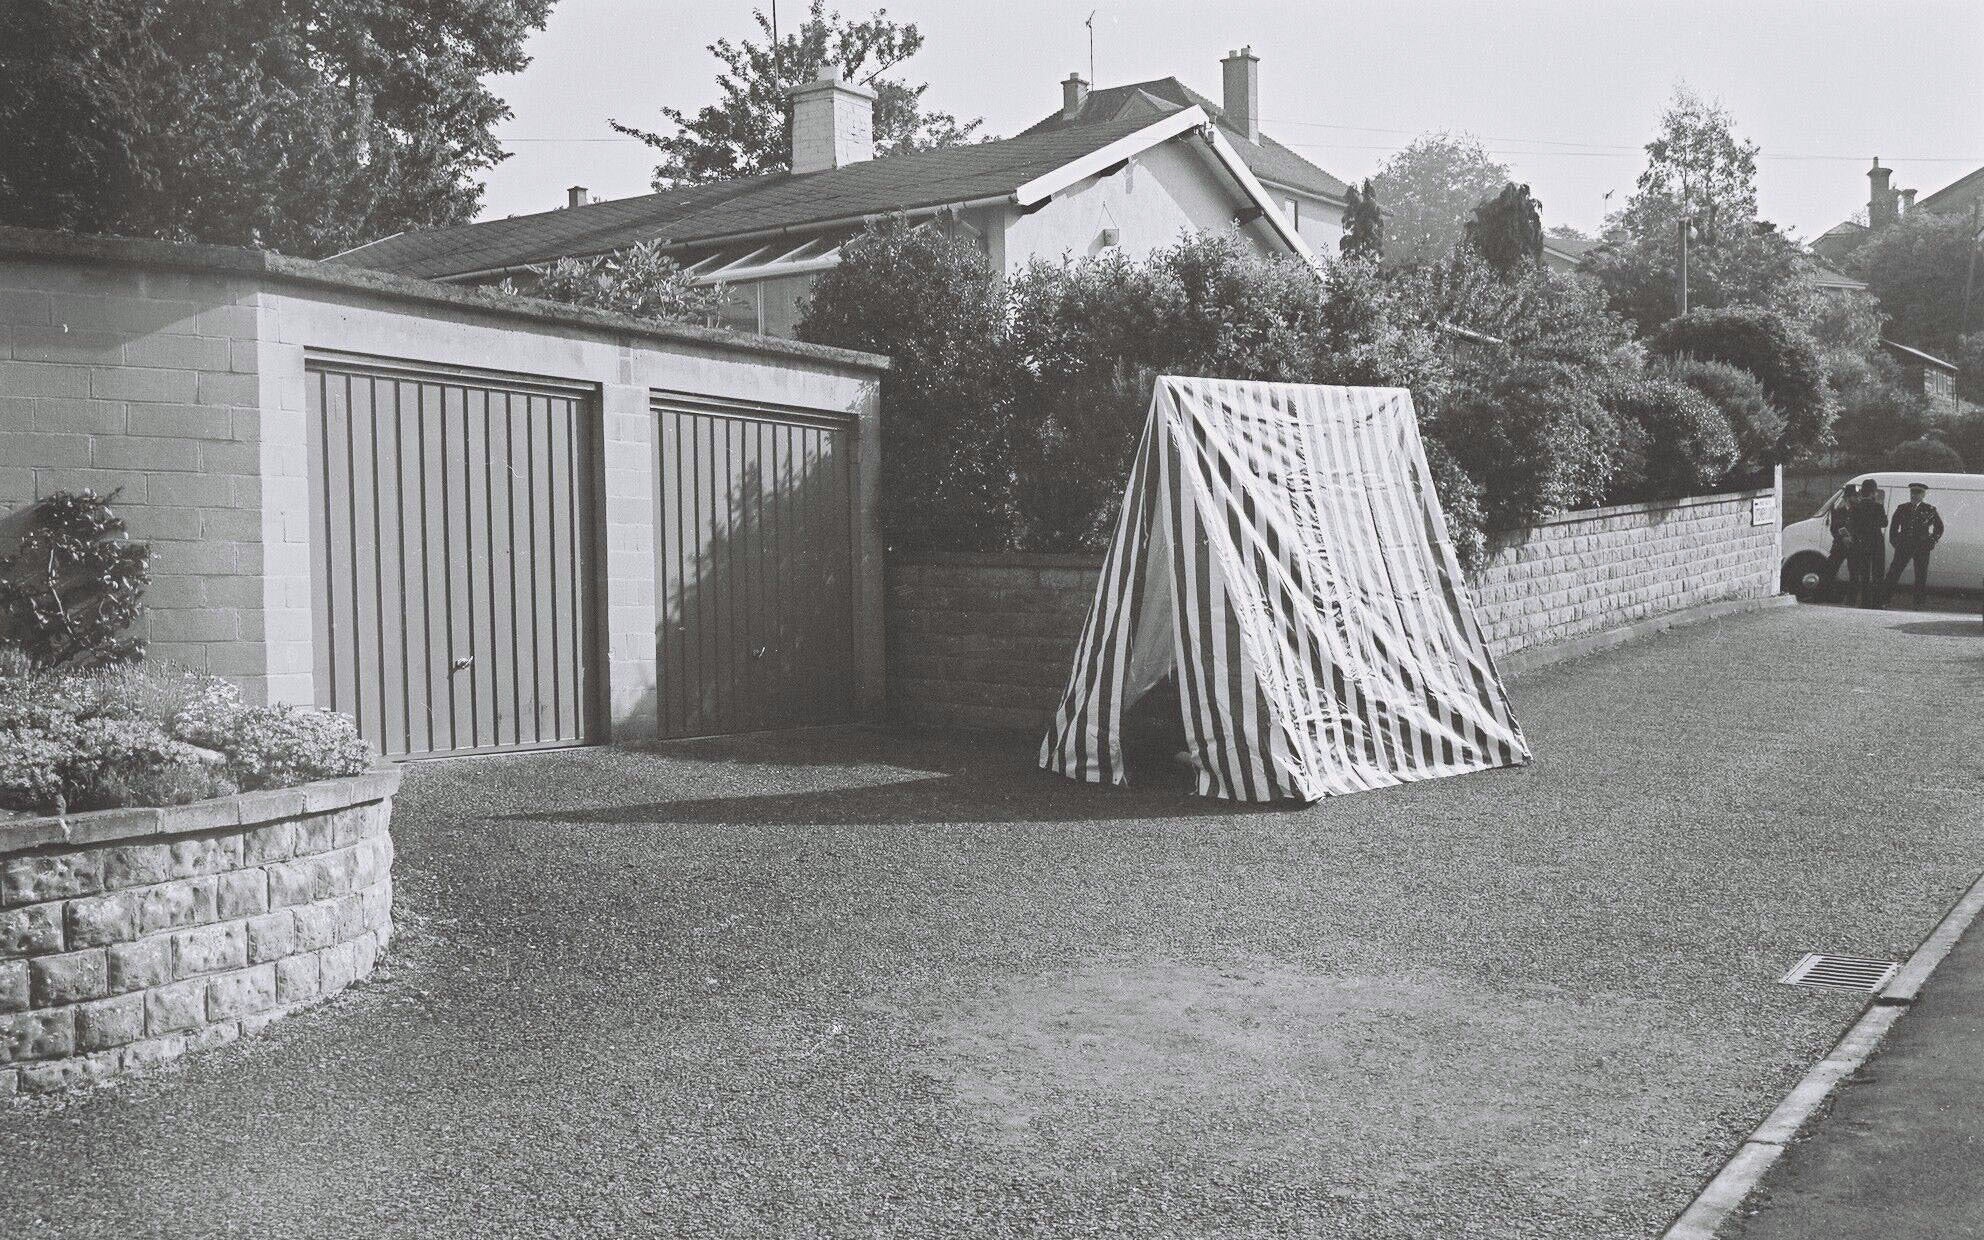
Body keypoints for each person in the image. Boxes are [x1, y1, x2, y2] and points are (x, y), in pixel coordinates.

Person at [1883, 481, 1946, 609]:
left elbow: (1939, 527)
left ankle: (1918, 604)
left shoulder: (1930, 509)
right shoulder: (1902, 508)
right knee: (1894, 572)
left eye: (1918, 493)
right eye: (1913, 492)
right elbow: (1893, 528)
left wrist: (1932, 540)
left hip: (1922, 547)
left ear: (1923, 495)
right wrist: (1896, 542)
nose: (1914, 495)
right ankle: (1884, 600)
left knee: (1921, 575)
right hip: (1904, 546)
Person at [1847, 480, 1888, 609]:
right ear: (1873, 492)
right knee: (1877, 573)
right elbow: (1884, 523)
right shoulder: (1878, 506)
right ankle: (1876, 602)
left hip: (1861, 542)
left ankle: (1864, 602)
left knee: (1864, 573)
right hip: (1876, 542)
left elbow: (1852, 525)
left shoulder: (1855, 507)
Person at [1820, 489, 1856, 602]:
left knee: (1854, 573)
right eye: (1854, 496)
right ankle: (1826, 595)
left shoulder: (1857, 511)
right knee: (1830, 569)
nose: (1856, 499)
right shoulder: (1839, 511)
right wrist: (1842, 537)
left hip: (1853, 546)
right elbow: (1833, 528)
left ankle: (1851, 599)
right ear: (1848, 498)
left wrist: (1852, 538)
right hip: (1839, 546)